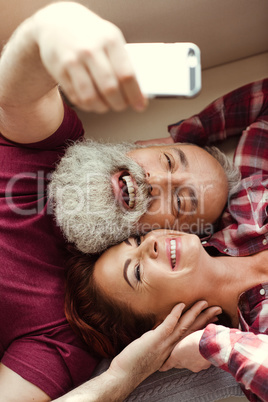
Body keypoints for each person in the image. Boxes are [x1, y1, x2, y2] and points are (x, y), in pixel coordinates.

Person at [0, 2, 220, 400]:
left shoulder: (65, 328)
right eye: (168, 161)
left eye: (181, 202)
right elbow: (15, 92)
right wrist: (55, 28)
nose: (156, 182)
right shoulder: (55, 142)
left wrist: (122, 377)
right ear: (147, 145)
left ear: (164, 236)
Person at [65, 229, 268, 401]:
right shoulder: (251, 354)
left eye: (137, 240)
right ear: (162, 329)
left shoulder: (245, 205)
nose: (150, 242)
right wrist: (209, 343)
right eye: (137, 272)